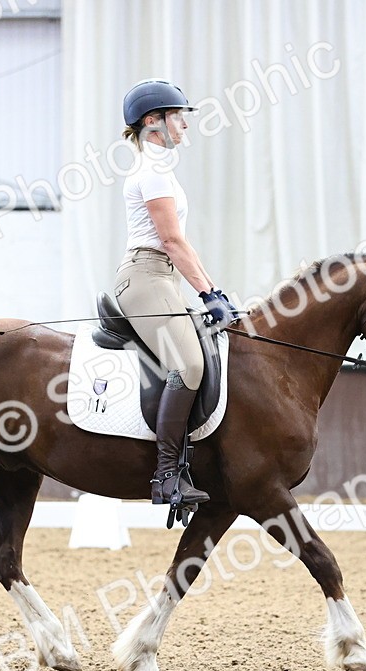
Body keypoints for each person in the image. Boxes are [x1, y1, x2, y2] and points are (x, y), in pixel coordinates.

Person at [115, 79, 239, 507]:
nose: (185, 125)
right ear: (154, 122)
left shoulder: (161, 171)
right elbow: (171, 241)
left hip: (163, 276)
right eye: (177, 116)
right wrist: (207, 294)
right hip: (146, 276)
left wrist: (215, 291)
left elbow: (183, 246)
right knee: (187, 363)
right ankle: (166, 475)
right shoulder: (151, 173)